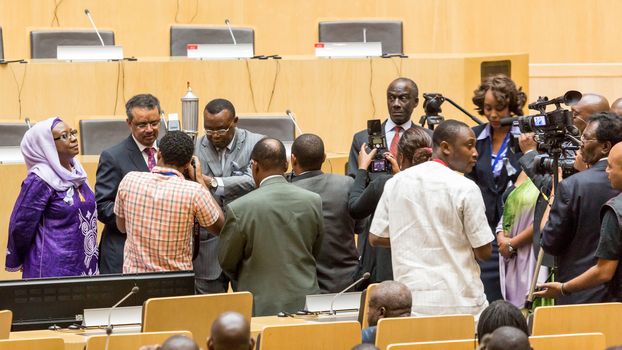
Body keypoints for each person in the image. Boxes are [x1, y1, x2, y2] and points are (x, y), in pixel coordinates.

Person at [369, 120, 493, 318]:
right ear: (445, 148)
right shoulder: (465, 187)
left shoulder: (396, 182)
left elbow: (376, 237)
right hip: (463, 304)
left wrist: (415, 237)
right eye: (469, 145)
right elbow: (485, 251)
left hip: (413, 304)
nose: (475, 153)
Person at [218, 138, 324, 316]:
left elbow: (227, 261)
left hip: (260, 304)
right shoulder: (313, 200)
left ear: (255, 166)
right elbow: (315, 249)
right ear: (286, 164)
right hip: (305, 301)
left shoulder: (239, 208)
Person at [541, 112, 622, 304]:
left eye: (585, 138)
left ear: (605, 146)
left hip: (579, 294)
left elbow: (549, 242)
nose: (580, 143)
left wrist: (554, 193)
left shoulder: (573, 185)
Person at [114, 131, 224, 273]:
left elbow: (121, 227)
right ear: (187, 163)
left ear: (158, 154)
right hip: (176, 282)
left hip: (134, 281)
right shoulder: (195, 192)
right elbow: (220, 227)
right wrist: (201, 181)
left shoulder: (129, 180)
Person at [6, 117, 99, 277]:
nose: (74, 138)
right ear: (46, 145)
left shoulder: (77, 173)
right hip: (52, 269)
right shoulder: (39, 179)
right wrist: (22, 259)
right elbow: (21, 225)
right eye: (64, 136)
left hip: (84, 265)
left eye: (73, 133)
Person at [194, 98, 264, 294]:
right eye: (209, 130)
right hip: (209, 247)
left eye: (221, 129)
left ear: (235, 121)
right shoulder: (195, 146)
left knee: (250, 310)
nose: (215, 135)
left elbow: (254, 180)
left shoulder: (257, 143)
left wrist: (212, 182)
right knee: (208, 312)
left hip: (247, 242)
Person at [467, 74, 527, 302]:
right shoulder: (473, 136)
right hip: (482, 229)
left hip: (514, 231)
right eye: (487, 108)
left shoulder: (524, 137)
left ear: (511, 106)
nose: (492, 115)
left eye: (499, 109)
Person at [348, 127, 433, 288]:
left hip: (384, 274)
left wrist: (362, 169)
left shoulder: (384, 184)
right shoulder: (439, 185)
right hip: (424, 272)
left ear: (400, 157)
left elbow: (355, 208)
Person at [96, 93, 162, 274]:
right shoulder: (113, 157)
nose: (149, 129)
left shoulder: (169, 150)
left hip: (160, 253)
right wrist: (139, 215)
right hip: (123, 250)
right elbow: (102, 206)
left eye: (155, 123)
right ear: (129, 123)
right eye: (142, 125)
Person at [289, 133, 363, 293]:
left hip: (305, 284)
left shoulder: (287, 192)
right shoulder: (348, 184)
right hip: (347, 282)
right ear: (324, 158)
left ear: (293, 159)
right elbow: (360, 227)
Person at [346, 77, 431, 177]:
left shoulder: (429, 138)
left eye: (403, 98)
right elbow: (354, 182)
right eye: (391, 98)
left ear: (416, 102)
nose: (396, 104)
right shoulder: (362, 139)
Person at [495, 170, 540, 308]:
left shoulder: (554, 171)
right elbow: (507, 213)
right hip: (510, 255)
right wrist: (502, 237)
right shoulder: (524, 167)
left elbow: (544, 219)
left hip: (533, 253)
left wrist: (511, 244)